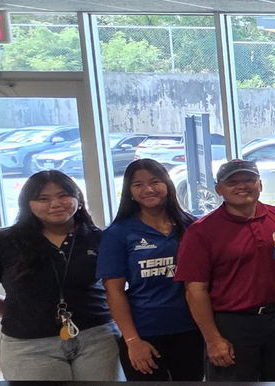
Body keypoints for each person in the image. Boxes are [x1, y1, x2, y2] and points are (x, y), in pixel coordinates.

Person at [0, 171, 122, 381]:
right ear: (27, 204)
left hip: (97, 339)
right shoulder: (3, 243)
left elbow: (116, 289)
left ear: (78, 199)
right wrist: (21, 313)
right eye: (42, 198)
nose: (55, 203)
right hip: (30, 346)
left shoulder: (97, 238)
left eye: (63, 195)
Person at [175, 159, 275, 382]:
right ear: (218, 189)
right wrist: (213, 339)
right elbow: (195, 291)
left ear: (260, 184)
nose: (242, 186)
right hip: (231, 325)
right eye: (232, 182)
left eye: (249, 179)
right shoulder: (201, 231)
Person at [97, 159, 204, 381]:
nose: (148, 189)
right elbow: (114, 291)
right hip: (145, 332)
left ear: (167, 184)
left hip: (191, 329)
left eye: (155, 181)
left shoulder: (191, 227)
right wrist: (132, 341)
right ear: (130, 192)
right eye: (138, 185)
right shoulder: (117, 234)